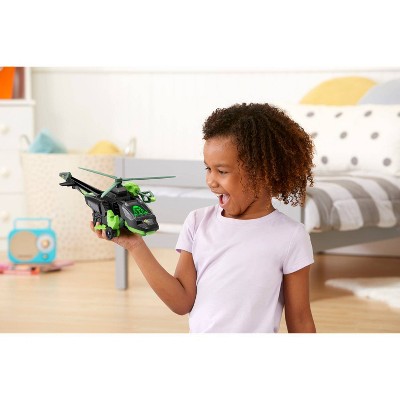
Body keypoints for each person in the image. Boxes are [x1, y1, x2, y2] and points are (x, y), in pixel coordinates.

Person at [91, 103, 316, 333]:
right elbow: (181, 303)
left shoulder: (290, 236)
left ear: (262, 173)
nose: (210, 181)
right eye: (208, 169)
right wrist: (135, 245)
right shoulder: (198, 223)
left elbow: (300, 319)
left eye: (222, 171)